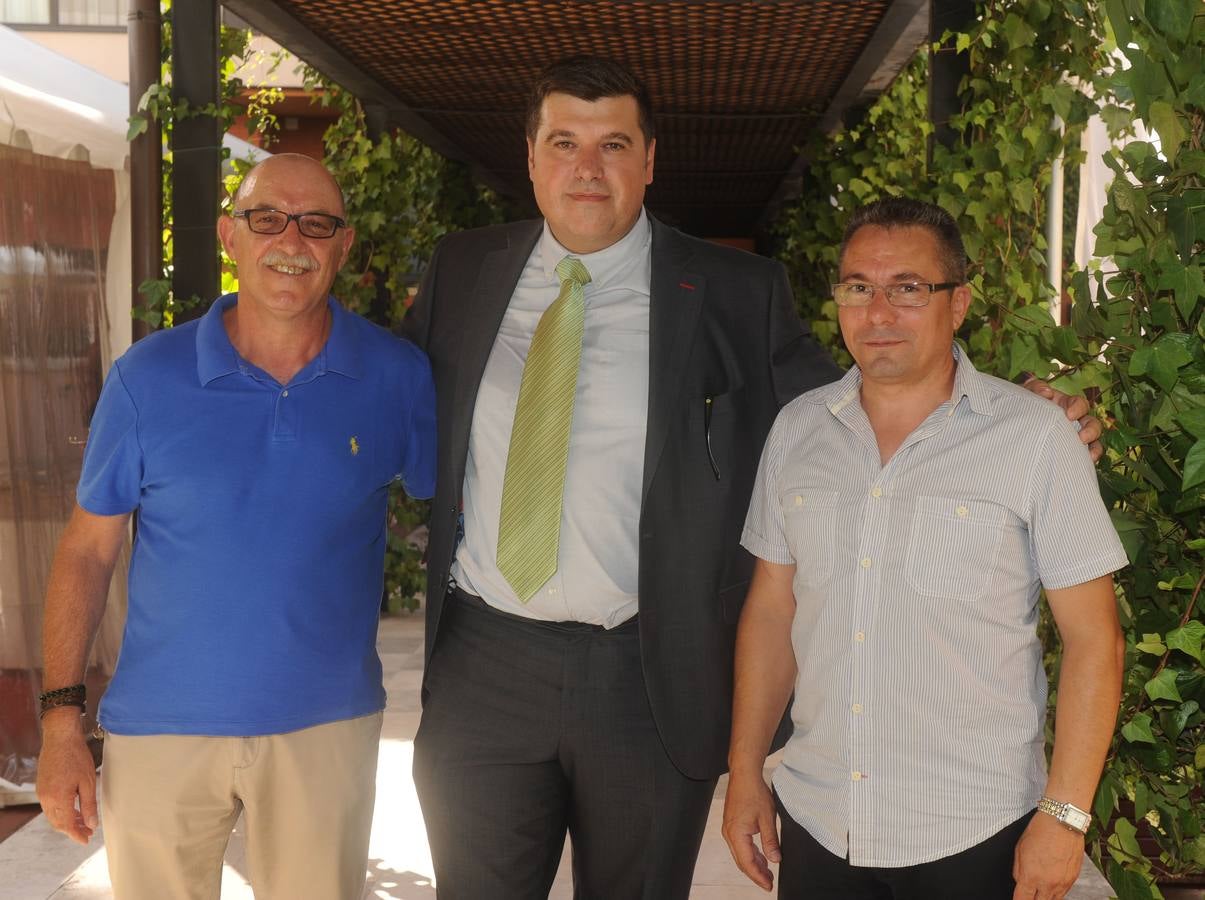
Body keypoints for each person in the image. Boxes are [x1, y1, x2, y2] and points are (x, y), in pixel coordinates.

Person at [403, 57, 1101, 898]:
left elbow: (864, 387)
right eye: (564, 143)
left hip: (644, 674)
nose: (587, 169)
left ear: (650, 160)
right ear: (530, 155)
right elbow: (386, 393)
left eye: (613, 144)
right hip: (487, 659)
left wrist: (1015, 413)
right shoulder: (463, 273)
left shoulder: (733, 290)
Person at [35, 153, 436, 900]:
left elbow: (461, 524)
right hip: (159, 731)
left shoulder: (397, 377)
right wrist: (62, 725)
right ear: (229, 236)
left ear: (343, 246)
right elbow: (87, 551)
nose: (292, 239)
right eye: (266, 218)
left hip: (327, 727)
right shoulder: (145, 378)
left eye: (317, 224)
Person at [723, 198, 1126, 900]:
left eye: (907, 289)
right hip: (821, 820)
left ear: (958, 302)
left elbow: (1094, 640)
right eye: (857, 288)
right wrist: (746, 769)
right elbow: (770, 611)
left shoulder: (1034, 439)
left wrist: (1063, 817)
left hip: (975, 831)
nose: (878, 314)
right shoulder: (796, 432)